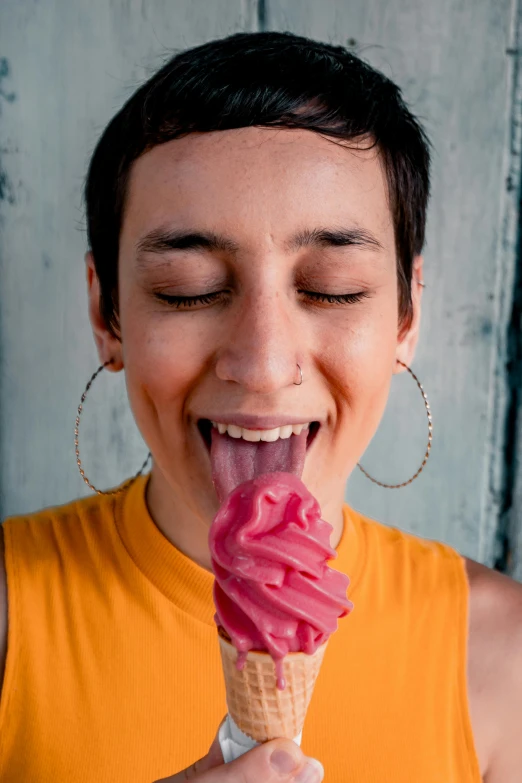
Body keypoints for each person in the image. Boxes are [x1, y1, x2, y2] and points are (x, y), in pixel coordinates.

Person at [0, 30, 520, 783]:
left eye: (333, 286)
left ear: (407, 318)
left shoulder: (506, 656)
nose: (264, 364)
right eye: (190, 289)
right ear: (105, 312)